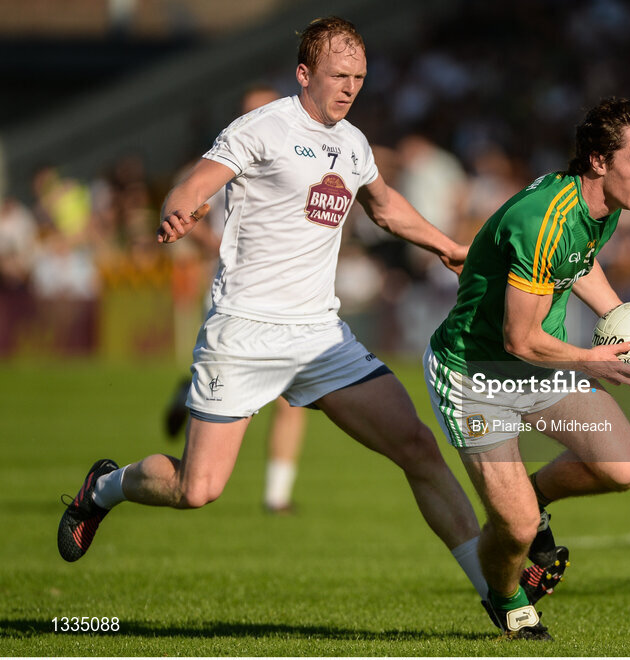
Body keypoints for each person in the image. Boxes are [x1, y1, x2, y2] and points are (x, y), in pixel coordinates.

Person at [56, 16, 489, 610]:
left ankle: (500, 594)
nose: (350, 87)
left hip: (319, 335)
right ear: (304, 74)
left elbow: (385, 208)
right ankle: (103, 489)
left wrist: (448, 246)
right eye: (339, 75)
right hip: (244, 330)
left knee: (416, 445)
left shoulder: (354, 142)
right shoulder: (263, 127)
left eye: (360, 77)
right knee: (196, 488)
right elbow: (198, 181)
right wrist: (179, 206)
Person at [424, 98, 630, 640]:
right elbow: (520, 338)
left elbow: (578, 261)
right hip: (473, 375)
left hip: (535, 369)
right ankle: (508, 600)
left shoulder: (604, 205)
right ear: (599, 161)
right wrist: (591, 357)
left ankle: (532, 501)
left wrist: (623, 323)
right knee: (516, 526)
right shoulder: (545, 220)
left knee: (623, 468)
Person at [162, 84, 308, 514]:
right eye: (249, 110)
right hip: (231, 294)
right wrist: (209, 239)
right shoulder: (214, 161)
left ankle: (276, 496)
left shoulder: (298, 159)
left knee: (289, 396)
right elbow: (184, 208)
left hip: (283, 301)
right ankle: (188, 391)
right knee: (231, 385)